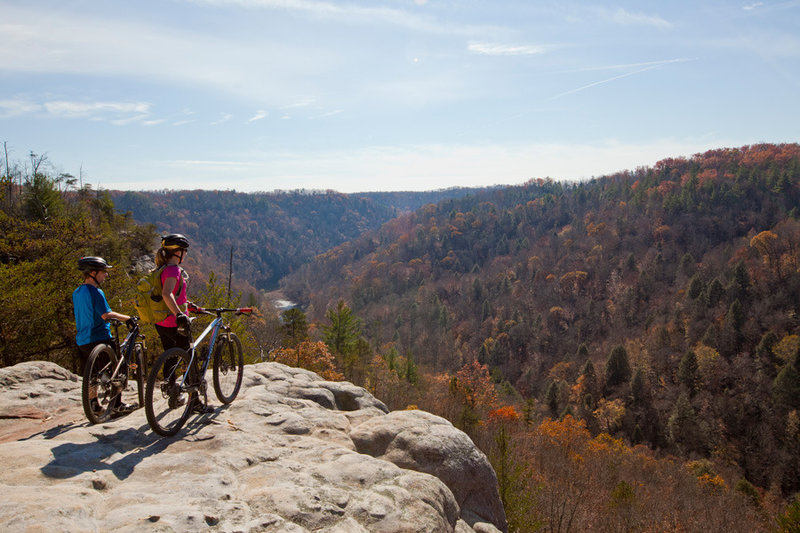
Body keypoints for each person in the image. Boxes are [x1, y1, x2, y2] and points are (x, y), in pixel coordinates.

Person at [153, 233, 210, 413]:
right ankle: (194, 402)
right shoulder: (173, 270)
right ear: (178, 252)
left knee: (171, 356)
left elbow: (175, 294)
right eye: (184, 251)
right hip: (174, 322)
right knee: (189, 359)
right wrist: (180, 314)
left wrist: (188, 305)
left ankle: (173, 394)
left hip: (161, 321)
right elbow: (167, 293)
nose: (185, 255)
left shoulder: (161, 269)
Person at [73, 256, 137, 414]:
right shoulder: (96, 292)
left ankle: (94, 404)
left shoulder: (77, 292)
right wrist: (128, 318)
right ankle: (117, 405)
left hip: (82, 339)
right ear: (93, 273)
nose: (106, 275)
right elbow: (106, 314)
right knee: (117, 369)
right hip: (99, 336)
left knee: (92, 374)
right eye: (103, 272)